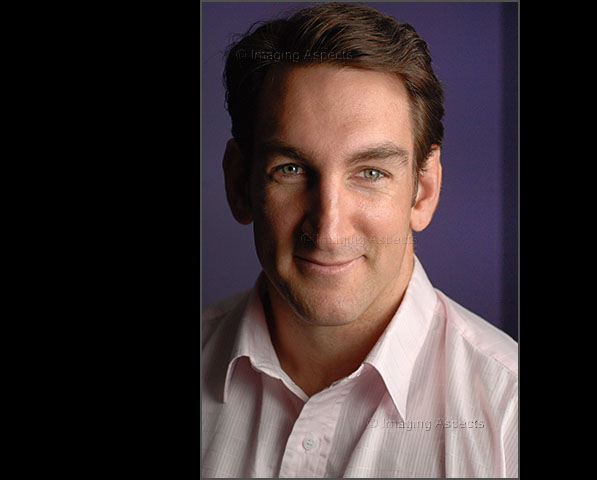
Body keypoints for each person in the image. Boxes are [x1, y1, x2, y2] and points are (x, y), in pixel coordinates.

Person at [201, 3, 518, 477]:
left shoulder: (509, 416)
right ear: (237, 183)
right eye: (290, 169)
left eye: (370, 172)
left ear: (423, 191)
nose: (329, 231)